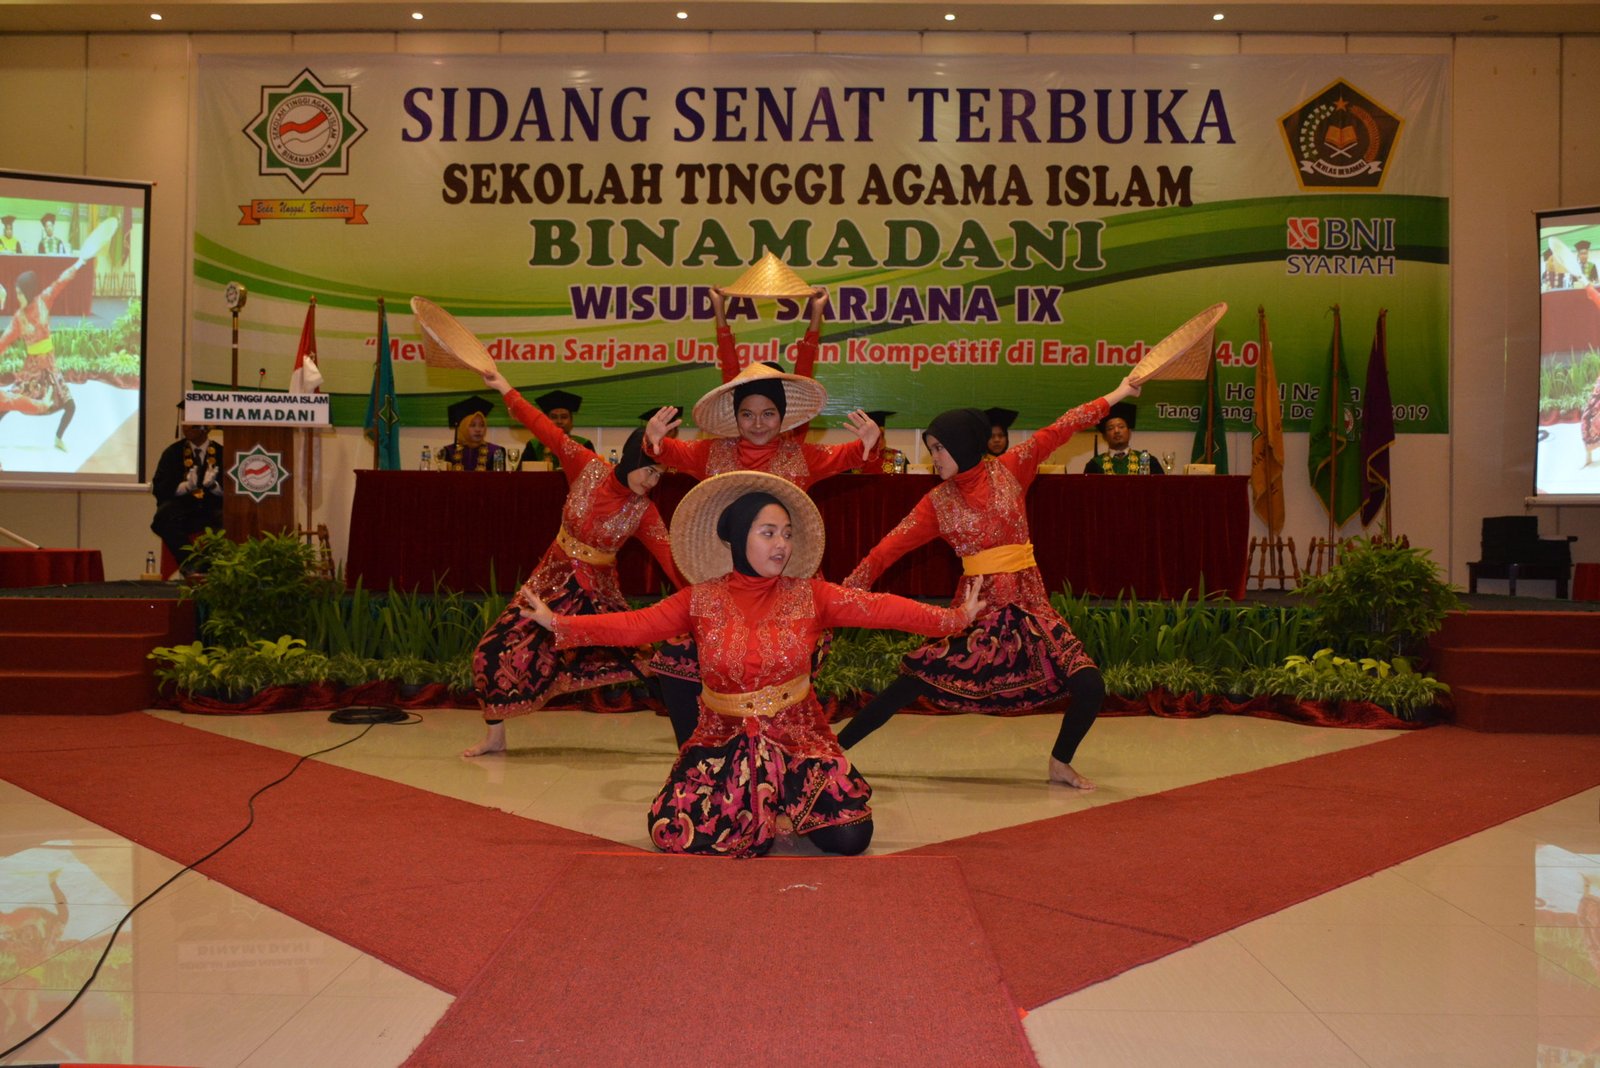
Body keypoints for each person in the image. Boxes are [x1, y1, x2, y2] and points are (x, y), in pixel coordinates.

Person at [521, 471, 983, 857]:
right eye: (768, 533)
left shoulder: (811, 595)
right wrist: (560, 623)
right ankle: (769, 810)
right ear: (739, 537)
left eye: (787, 533)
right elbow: (635, 625)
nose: (781, 544)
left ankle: (782, 805)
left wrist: (953, 619)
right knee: (670, 832)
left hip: (798, 736)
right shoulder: (700, 599)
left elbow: (881, 608)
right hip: (722, 738)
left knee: (851, 837)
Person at [839, 374, 1144, 791]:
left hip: (1030, 607)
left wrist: (1121, 392)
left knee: (1089, 684)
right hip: (977, 613)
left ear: (964, 443)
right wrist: (843, 594)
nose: (933, 457)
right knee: (908, 685)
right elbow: (885, 551)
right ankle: (833, 753)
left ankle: (1060, 763)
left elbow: (1065, 425)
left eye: (939, 448)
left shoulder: (1012, 468)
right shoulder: (937, 503)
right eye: (930, 448)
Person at [643, 360, 880, 746]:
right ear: (735, 416)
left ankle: (783, 759)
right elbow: (668, 451)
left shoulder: (801, 457)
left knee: (780, 681)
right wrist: (653, 440)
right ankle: (695, 756)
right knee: (674, 660)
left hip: (788, 590)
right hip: (727, 588)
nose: (757, 423)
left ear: (782, 416)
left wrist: (870, 442)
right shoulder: (711, 453)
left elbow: (853, 455)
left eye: (768, 413)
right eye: (747, 414)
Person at [463, 368, 687, 758]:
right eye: (649, 469)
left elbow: (671, 559)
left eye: (660, 474)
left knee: (655, 661)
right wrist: (505, 387)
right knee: (491, 650)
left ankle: (691, 738)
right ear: (631, 457)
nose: (652, 481)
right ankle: (495, 737)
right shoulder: (587, 467)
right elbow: (544, 428)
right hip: (549, 581)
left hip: (596, 594)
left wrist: (708, 596)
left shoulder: (644, 512)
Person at [0, 253, 90, 449]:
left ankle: (58, 438)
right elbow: (3, 341)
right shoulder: (18, 318)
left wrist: (79, 263)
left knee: (70, 406)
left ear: (29, 291)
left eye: (20, 293)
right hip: (31, 371)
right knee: (6, 404)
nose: (18, 297)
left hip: (50, 368)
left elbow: (61, 282)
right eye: (16, 293)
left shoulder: (43, 300)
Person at [150, 407, 224, 575]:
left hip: (212, 508)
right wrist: (185, 487)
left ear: (206, 426)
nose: (186, 426)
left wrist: (214, 487)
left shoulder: (221, 452)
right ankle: (192, 562)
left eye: (191, 422)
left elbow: (232, 489)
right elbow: (160, 487)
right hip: (183, 509)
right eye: (184, 422)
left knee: (230, 519)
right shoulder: (172, 453)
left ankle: (210, 565)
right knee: (163, 517)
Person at [1083, 402, 1164, 474]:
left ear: (1129, 432)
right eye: (1110, 428)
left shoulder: (1148, 461)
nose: (1116, 431)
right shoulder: (1094, 465)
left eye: (1121, 426)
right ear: (1104, 436)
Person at [518, 389, 592, 466]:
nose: (559, 421)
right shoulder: (534, 446)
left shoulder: (584, 445)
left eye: (564, 417)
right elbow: (522, 473)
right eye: (554, 417)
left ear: (571, 421)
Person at [436, 395, 506, 471]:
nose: (478, 429)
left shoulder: (495, 452)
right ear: (463, 427)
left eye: (482, 425)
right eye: (472, 425)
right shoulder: (448, 452)